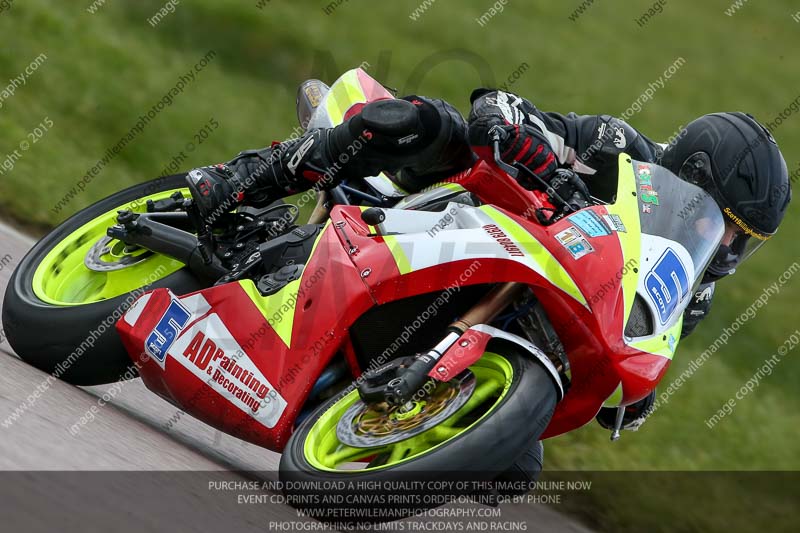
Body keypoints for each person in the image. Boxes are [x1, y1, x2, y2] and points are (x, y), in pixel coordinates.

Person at [186, 88, 791, 436]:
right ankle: (238, 180)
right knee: (423, 122)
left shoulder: (693, 292)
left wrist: (634, 392)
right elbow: (498, 106)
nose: (728, 250)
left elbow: (634, 336)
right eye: (725, 227)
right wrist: (522, 138)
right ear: (690, 177)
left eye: (744, 242)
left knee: (515, 471)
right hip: (458, 210)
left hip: (519, 301)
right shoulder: (616, 148)